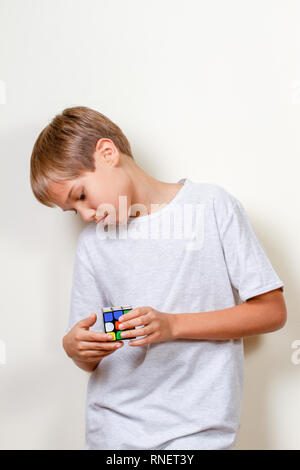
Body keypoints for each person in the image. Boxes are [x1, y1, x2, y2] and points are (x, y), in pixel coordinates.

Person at [30, 106, 287, 450]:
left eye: (81, 196)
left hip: (199, 434)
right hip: (113, 434)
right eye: (72, 210)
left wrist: (173, 325)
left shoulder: (211, 206)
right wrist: (75, 349)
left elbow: (272, 311)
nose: (86, 215)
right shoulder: (92, 244)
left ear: (107, 154)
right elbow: (91, 356)